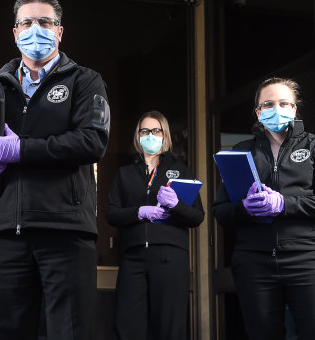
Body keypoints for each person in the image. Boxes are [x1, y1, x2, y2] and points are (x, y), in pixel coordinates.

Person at [0, 0, 110, 340]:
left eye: (44, 21)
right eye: (26, 22)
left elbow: (92, 141)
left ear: (59, 31)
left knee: (69, 332)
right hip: (6, 232)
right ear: (14, 32)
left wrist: (20, 150)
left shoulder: (85, 81)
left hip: (66, 232)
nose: (34, 29)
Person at [213, 77, 315, 340]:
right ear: (258, 112)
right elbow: (221, 211)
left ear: (294, 109)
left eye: (283, 103)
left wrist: (283, 204)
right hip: (254, 263)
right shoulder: (241, 152)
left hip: (306, 259)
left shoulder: (312, 147)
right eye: (268, 104)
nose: (276, 109)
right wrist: (246, 208)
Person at [105, 111, 204, 340]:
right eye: (145, 131)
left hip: (170, 256)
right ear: (138, 137)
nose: (151, 135)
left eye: (156, 131)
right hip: (133, 257)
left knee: (169, 327)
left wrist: (176, 204)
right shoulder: (125, 174)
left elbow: (197, 216)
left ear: (165, 135)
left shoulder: (180, 170)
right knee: (127, 325)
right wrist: (139, 212)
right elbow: (111, 213)